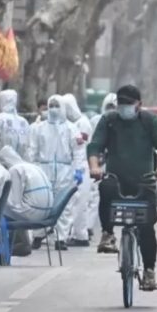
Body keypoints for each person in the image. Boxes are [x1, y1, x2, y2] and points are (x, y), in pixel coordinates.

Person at [88, 85, 157, 291]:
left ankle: (149, 271)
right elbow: (95, 146)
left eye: (128, 104)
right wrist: (95, 167)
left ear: (139, 105)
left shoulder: (149, 121)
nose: (124, 108)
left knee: (147, 227)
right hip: (116, 178)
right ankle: (108, 234)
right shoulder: (109, 121)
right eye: (121, 104)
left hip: (144, 179)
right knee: (105, 187)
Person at [27, 95, 84, 251]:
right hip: (43, 169)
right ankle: (38, 235)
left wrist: (78, 170)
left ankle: (61, 238)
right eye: (50, 105)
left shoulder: (71, 129)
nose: (52, 109)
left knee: (64, 205)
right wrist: (31, 169)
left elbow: (78, 151)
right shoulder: (39, 128)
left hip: (64, 171)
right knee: (41, 203)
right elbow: (32, 150)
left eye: (56, 105)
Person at [61, 94, 93, 246]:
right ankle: (74, 233)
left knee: (80, 202)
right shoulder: (67, 124)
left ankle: (81, 235)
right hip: (71, 166)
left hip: (82, 166)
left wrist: (78, 169)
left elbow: (81, 147)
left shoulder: (83, 123)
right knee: (72, 202)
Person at [87, 92, 117, 237]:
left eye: (114, 106)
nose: (111, 109)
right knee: (93, 194)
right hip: (97, 163)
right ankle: (93, 227)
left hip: (112, 162)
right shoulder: (97, 121)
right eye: (109, 106)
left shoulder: (121, 122)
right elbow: (94, 143)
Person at [0, 146, 54, 222]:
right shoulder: (33, 166)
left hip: (34, 213)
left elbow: (14, 203)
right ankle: (21, 234)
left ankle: (4, 234)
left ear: (4, 162)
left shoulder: (15, 170)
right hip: (47, 212)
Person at [0, 89, 30, 155]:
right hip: (22, 162)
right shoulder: (24, 122)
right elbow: (28, 147)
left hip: (1, 162)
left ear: (2, 101)